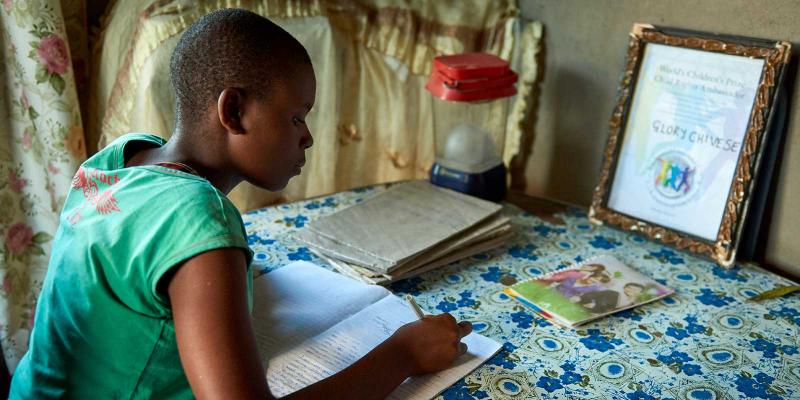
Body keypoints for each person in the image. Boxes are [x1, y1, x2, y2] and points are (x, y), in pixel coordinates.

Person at [10, 9, 472, 399]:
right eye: (295, 118)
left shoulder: (121, 158)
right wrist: (404, 354)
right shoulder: (199, 217)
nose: (307, 137)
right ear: (233, 112)